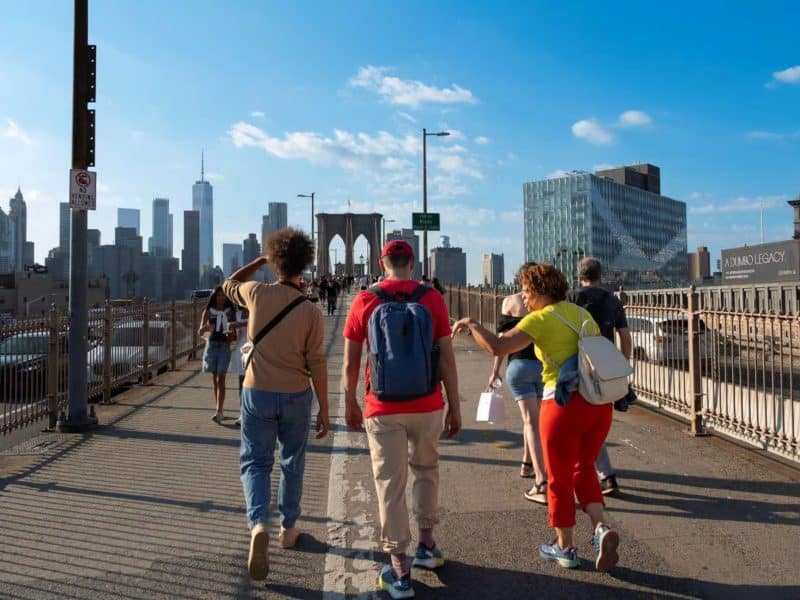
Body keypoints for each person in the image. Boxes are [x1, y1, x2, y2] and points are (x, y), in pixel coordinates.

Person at [452, 263, 620, 572]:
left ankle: (565, 547)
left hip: (562, 405)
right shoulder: (582, 314)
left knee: (557, 477)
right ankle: (600, 527)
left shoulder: (540, 318)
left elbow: (499, 346)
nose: (524, 299)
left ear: (542, 291)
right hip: (598, 405)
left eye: (527, 292)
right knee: (583, 468)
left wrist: (472, 323)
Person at [343, 240, 461, 599]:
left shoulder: (365, 300)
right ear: (413, 262)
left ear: (382, 262)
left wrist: (349, 403)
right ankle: (426, 545)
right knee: (427, 469)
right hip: (427, 405)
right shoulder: (432, 299)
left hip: (382, 406)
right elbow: (447, 360)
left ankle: (398, 569)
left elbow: (350, 364)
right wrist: (454, 406)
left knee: (390, 484)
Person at [222, 228, 330, 582]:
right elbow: (317, 362)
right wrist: (325, 408)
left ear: (275, 260)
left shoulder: (255, 292)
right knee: (292, 460)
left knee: (255, 461)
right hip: (297, 393)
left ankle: (257, 524)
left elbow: (227, 285)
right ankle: (288, 527)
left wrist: (257, 262)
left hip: (257, 392)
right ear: (306, 262)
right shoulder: (312, 310)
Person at [572, 257, 633, 496]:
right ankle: (602, 473)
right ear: (601, 275)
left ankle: (603, 475)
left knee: (579, 423)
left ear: (579, 276)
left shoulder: (572, 298)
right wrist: (623, 364)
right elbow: (625, 337)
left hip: (578, 366)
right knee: (597, 423)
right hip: (606, 369)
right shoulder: (612, 301)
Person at [488, 274, 547, 503]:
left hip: (518, 365)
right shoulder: (544, 306)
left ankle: (526, 463)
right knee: (534, 421)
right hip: (542, 366)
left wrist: (495, 370)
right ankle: (536, 472)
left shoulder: (509, 301)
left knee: (529, 420)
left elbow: (502, 339)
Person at [198, 287, 235, 423]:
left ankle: (219, 411)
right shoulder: (208, 312)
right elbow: (200, 332)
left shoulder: (230, 312)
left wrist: (230, 338)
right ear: (214, 297)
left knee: (221, 379)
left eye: (223, 296)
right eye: (218, 295)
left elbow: (234, 330)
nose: (221, 298)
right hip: (211, 346)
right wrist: (206, 328)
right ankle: (218, 409)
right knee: (215, 380)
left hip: (224, 347)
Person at [227, 305, 250, 427]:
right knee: (241, 383)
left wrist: (239, 325)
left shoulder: (255, 310)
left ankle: (253, 413)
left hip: (254, 349)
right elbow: (234, 336)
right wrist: (230, 332)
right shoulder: (237, 314)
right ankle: (243, 413)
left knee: (254, 383)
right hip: (240, 350)